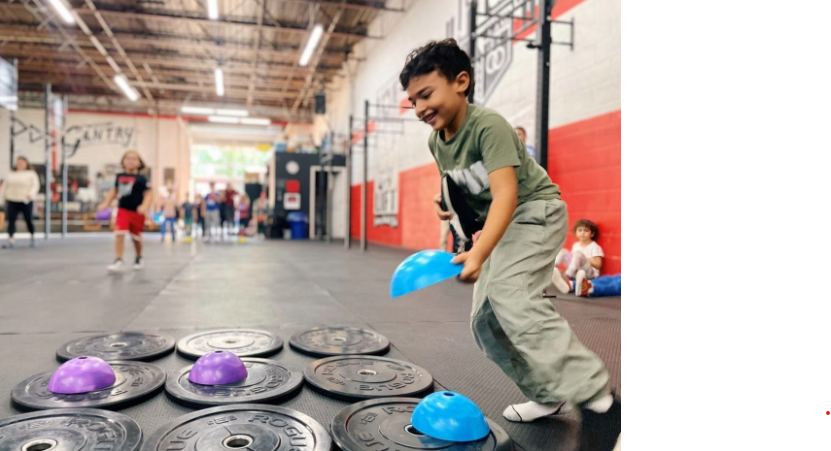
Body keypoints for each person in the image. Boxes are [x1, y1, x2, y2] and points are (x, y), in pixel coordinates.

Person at [400, 39, 620, 450]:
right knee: (485, 323)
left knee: (510, 296)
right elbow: (459, 184)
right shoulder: (437, 141)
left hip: (536, 211)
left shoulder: (488, 126)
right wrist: (443, 202)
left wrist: (480, 253)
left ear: (461, 82)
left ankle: (601, 401)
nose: (419, 108)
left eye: (426, 94)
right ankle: (546, 393)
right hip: (504, 226)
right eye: (413, 101)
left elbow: (506, 194)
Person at [97, 151, 152, 272]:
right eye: (128, 158)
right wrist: (106, 203)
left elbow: (149, 194)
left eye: (134, 159)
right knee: (119, 233)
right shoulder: (119, 176)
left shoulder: (142, 179)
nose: (131, 161)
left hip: (137, 212)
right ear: (123, 161)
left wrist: (144, 206)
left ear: (139, 163)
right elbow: (114, 191)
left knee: (136, 237)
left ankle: (138, 257)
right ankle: (118, 259)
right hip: (123, 209)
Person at [551, 219, 606, 297]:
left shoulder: (594, 247)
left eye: (586, 231)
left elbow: (598, 265)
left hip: (589, 275)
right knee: (563, 251)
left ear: (592, 234)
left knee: (578, 254)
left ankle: (566, 278)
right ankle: (550, 269)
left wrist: (586, 259)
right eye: (580, 230)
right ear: (576, 233)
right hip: (577, 273)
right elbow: (574, 261)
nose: (582, 233)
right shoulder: (576, 245)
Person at [1, 157, 40, 249]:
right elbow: (4, 187)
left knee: (28, 220)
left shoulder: (31, 174)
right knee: (11, 220)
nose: (20, 164)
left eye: (22, 162)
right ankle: (11, 239)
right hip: (12, 200)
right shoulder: (11, 174)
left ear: (26, 164)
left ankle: (32, 237)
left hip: (25, 200)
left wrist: (31, 194)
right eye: (19, 162)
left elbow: (35, 185)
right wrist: (1, 199)